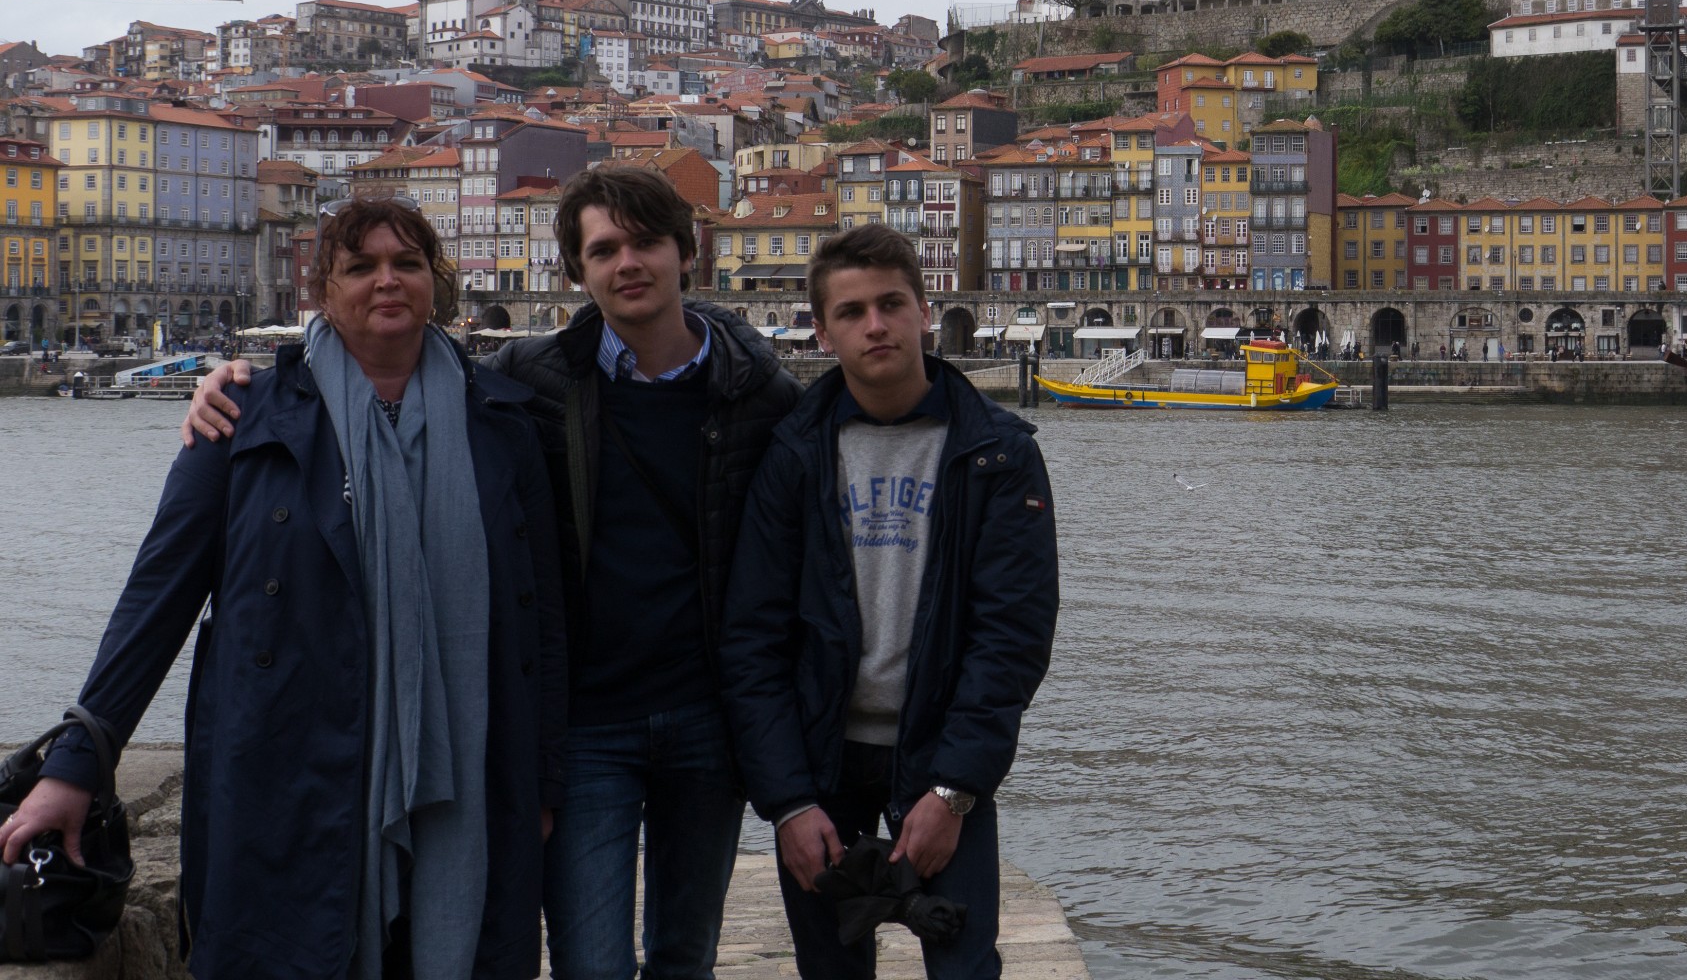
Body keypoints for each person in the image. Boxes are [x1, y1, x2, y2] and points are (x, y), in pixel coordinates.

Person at [184, 167, 801, 980]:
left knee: (686, 956)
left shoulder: (763, 393)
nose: (627, 264)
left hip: (707, 716)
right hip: (590, 722)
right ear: (576, 271)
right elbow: (428, 385)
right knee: (590, 964)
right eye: (603, 250)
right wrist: (230, 380)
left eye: (646, 243)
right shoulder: (533, 383)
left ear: (687, 253)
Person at [3, 198, 565, 980]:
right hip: (286, 781)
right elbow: (155, 601)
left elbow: (543, 622)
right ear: (322, 292)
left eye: (406, 264)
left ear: (434, 281)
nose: (387, 281)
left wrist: (542, 783)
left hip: (470, 781)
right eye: (360, 267)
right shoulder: (241, 420)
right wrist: (75, 765)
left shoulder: (502, 424)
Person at [723, 224, 1058, 980]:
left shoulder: (998, 453)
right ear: (823, 332)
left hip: (938, 747)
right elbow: (752, 639)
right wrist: (788, 802)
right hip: (822, 759)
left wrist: (955, 789)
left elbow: (1011, 635)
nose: (874, 325)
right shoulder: (793, 455)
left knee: (963, 966)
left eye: (891, 304)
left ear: (924, 312)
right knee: (830, 969)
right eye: (851, 312)